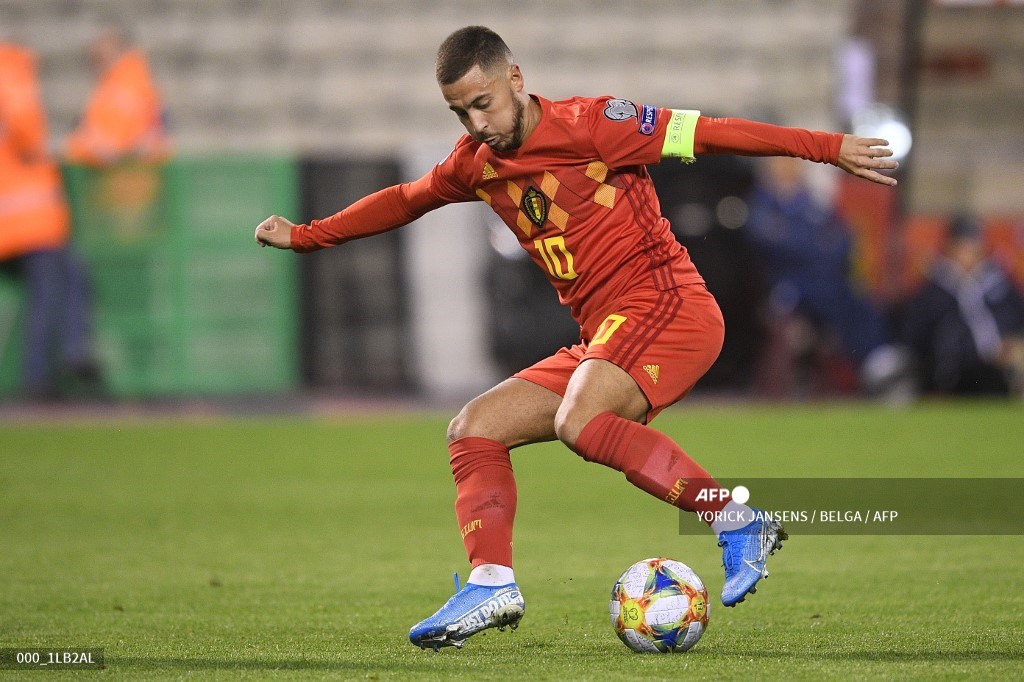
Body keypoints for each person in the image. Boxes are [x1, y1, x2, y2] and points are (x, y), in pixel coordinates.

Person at [255, 26, 898, 650]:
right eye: (460, 112)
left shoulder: (598, 124)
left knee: (580, 420)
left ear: (516, 79)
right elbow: (404, 198)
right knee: (473, 428)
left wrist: (823, 146)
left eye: (484, 103)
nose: (476, 124)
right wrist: (309, 235)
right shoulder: (476, 165)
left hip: (668, 307)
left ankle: (736, 522)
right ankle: (492, 582)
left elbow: (709, 135)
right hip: (606, 335)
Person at [744, 155, 910, 398]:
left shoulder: (810, 202)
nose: (789, 167)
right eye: (782, 162)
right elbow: (777, 245)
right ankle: (877, 367)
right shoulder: (761, 205)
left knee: (861, 303)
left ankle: (880, 361)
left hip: (828, 281)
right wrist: (816, 245)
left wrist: (810, 245)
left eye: (792, 162)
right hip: (788, 288)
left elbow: (843, 239)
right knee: (835, 299)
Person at [0, 41, 98, 400]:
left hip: (17, 221)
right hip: (24, 221)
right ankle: (39, 377)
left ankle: (74, 352)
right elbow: (27, 133)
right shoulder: (11, 75)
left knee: (72, 274)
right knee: (49, 291)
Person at [900, 214, 1024, 396]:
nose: (968, 256)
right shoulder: (934, 289)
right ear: (950, 249)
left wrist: (1009, 343)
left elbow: (1017, 319)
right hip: (953, 370)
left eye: (973, 249)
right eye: (962, 248)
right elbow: (915, 336)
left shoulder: (1000, 285)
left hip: (1000, 364)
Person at [65, 25, 168, 165]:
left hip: (127, 173)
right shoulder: (112, 85)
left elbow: (152, 135)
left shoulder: (129, 85)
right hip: (119, 171)